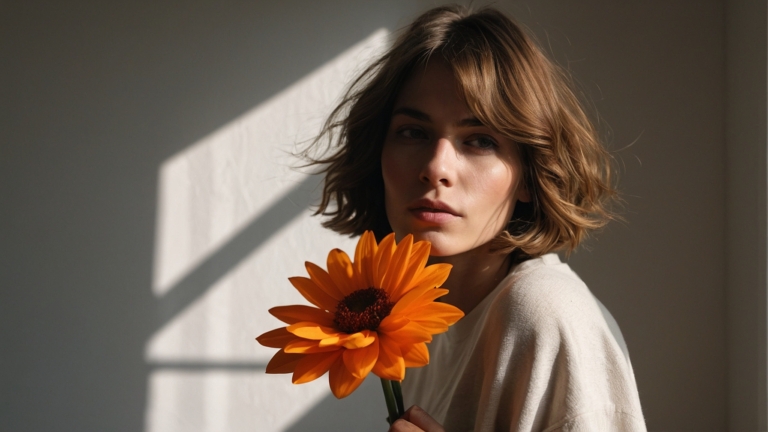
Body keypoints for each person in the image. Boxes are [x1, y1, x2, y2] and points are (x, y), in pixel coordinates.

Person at [305, 4, 646, 431]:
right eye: (413, 132)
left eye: (480, 140)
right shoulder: (418, 314)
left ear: (529, 174)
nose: (436, 167)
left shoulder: (543, 315)